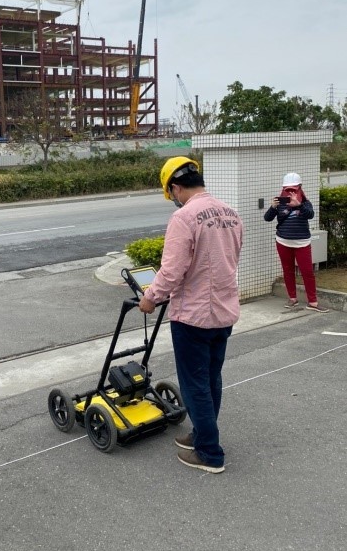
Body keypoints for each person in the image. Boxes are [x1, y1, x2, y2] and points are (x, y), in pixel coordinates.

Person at [139, 157, 244, 474]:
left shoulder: (184, 218)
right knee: (211, 378)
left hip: (193, 316)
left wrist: (150, 297)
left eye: (170, 193)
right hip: (224, 313)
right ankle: (201, 433)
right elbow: (232, 258)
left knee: (194, 384)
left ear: (174, 187)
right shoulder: (231, 213)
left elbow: (171, 272)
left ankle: (210, 453)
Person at [264, 172, 329, 313]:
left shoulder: (305, 203)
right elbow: (267, 218)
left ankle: (312, 302)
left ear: (299, 188)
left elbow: (310, 215)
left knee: (307, 272)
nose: (291, 192)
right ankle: (292, 298)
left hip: (302, 243)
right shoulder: (280, 203)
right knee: (288, 270)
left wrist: (299, 205)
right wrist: (273, 207)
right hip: (282, 241)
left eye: (294, 189)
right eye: (288, 189)